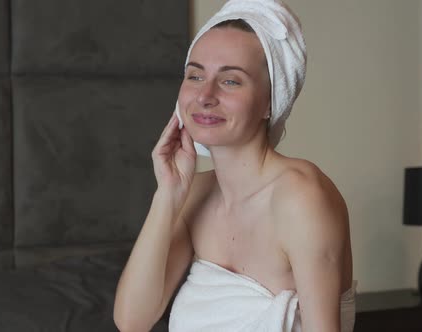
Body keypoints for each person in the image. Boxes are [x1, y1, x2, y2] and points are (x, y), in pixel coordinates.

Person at [114, 1, 356, 331]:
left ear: (271, 100)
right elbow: (132, 321)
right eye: (195, 75)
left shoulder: (299, 196)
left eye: (231, 81)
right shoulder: (194, 193)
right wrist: (167, 196)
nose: (205, 95)